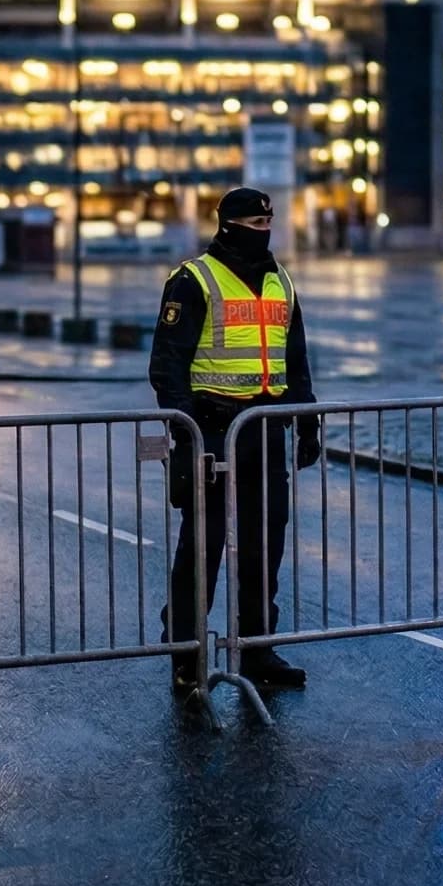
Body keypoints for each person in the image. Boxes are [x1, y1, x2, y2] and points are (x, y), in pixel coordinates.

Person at [151, 187, 321, 691]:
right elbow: (167, 368)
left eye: (267, 222)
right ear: (226, 225)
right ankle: (186, 652)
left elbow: (296, 359)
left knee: (264, 549)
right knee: (202, 550)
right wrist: (188, 434)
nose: (261, 229)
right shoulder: (194, 280)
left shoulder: (281, 282)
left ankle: (256, 651)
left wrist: (306, 418)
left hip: (265, 432)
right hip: (214, 430)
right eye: (252, 222)